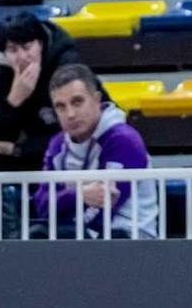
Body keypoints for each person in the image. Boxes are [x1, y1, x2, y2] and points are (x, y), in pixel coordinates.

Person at [33, 64, 158, 239]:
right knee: (38, 234)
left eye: (77, 102)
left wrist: (63, 204)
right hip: (80, 238)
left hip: (130, 241)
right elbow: (42, 205)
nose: (70, 114)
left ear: (97, 100)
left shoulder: (123, 140)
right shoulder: (57, 145)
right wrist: (79, 195)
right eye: (61, 106)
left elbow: (103, 212)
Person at [0, 13, 80, 171]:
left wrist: (18, 150)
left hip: (72, 158)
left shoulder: (66, 66)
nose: (22, 57)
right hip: (30, 157)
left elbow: (75, 134)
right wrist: (14, 100)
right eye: (13, 50)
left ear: (40, 44)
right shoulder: (4, 73)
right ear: (4, 54)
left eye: (27, 47)